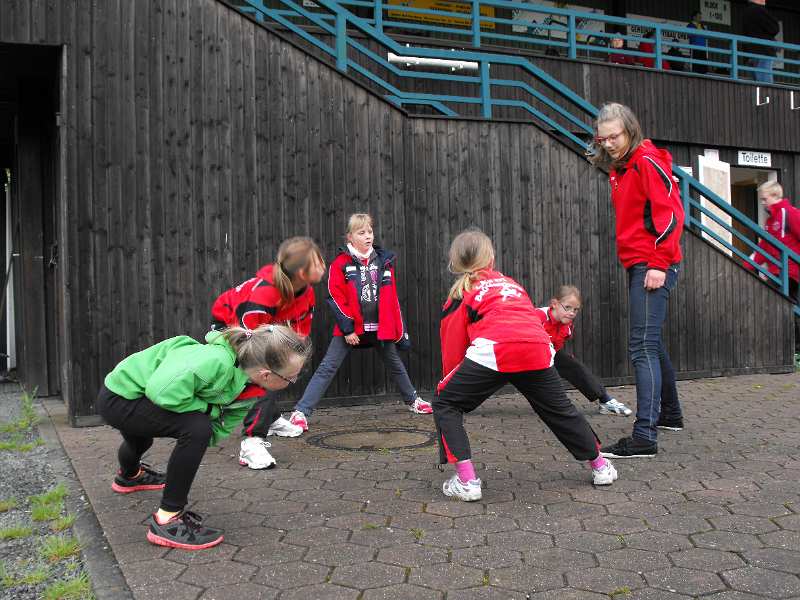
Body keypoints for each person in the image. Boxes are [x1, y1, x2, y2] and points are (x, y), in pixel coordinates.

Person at [434, 229, 618, 502]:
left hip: (495, 350)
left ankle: (467, 481)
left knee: (445, 403)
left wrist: (451, 380)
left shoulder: (461, 293)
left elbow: (452, 343)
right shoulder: (512, 284)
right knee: (561, 411)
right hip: (538, 348)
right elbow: (526, 319)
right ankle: (601, 467)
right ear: (491, 258)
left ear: (456, 261)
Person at [97, 325, 311, 550]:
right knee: (196, 428)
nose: (294, 380)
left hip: (134, 395)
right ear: (266, 374)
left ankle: (130, 476)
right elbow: (161, 391)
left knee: (144, 439)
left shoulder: (251, 386)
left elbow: (223, 424)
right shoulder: (217, 361)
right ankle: (167, 519)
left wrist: (201, 440)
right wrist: (207, 413)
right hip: (119, 398)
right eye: (291, 378)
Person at [587, 102, 685, 458]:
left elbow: (671, 214)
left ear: (630, 130)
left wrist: (658, 263)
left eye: (615, 136)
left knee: (641, 346)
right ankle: (670, 415)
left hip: (652, 263)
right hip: (640, 262)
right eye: (604, 139)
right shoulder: (622, 167)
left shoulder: (646, 160)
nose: (609, 143)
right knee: (651, 342)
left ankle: (644, 437)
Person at [288, 213, 432, 432]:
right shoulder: (340, 264)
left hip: (380, 327)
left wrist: (397, 329)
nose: (368, 236)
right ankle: (300, 412)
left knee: (395, 363)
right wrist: (347, 329)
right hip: (351, 329)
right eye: (361, 232)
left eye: (370, 231)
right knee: (327, 367)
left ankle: (413, 400)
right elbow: (335, 297)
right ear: (350, 237)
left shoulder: (384, 261)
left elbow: (391, 298)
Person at [210, 236, 326, 469]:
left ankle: (271, 419)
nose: (324, 266)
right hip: (232, 328)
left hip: (266, 330)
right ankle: (252, 441)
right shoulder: (264, 294)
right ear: (302, 272)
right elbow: (254, 351)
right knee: (266, 375)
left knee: (286, 369)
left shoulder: (306, 291)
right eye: (318, 263)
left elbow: (300, 333)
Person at [535, 285, 633, 416]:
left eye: (575, 310)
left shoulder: (567, 326)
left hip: (547, 354)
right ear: (554, 304)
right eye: (567, 307)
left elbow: (555, 349)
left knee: (572, 365)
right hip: (520, 355)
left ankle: (605, 401)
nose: (571, 313)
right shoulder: (537, 317)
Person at [743, 181, 800, 350]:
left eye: (764, 199)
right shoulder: (770, 221)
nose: (762, 203)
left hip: (791, 272)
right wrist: (746, 265)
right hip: (776, 271)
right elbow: (764, 247)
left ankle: (795, 347)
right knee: (776, 306)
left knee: (785, 306)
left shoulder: (790, 214)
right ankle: (786, 347)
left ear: (775, 196)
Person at [742, 0, 780, 84]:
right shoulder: (759, 9)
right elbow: (775, 28)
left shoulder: (746, 12)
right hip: (762, 52)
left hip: (749, 54)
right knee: (765, 85)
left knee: (756, 85)